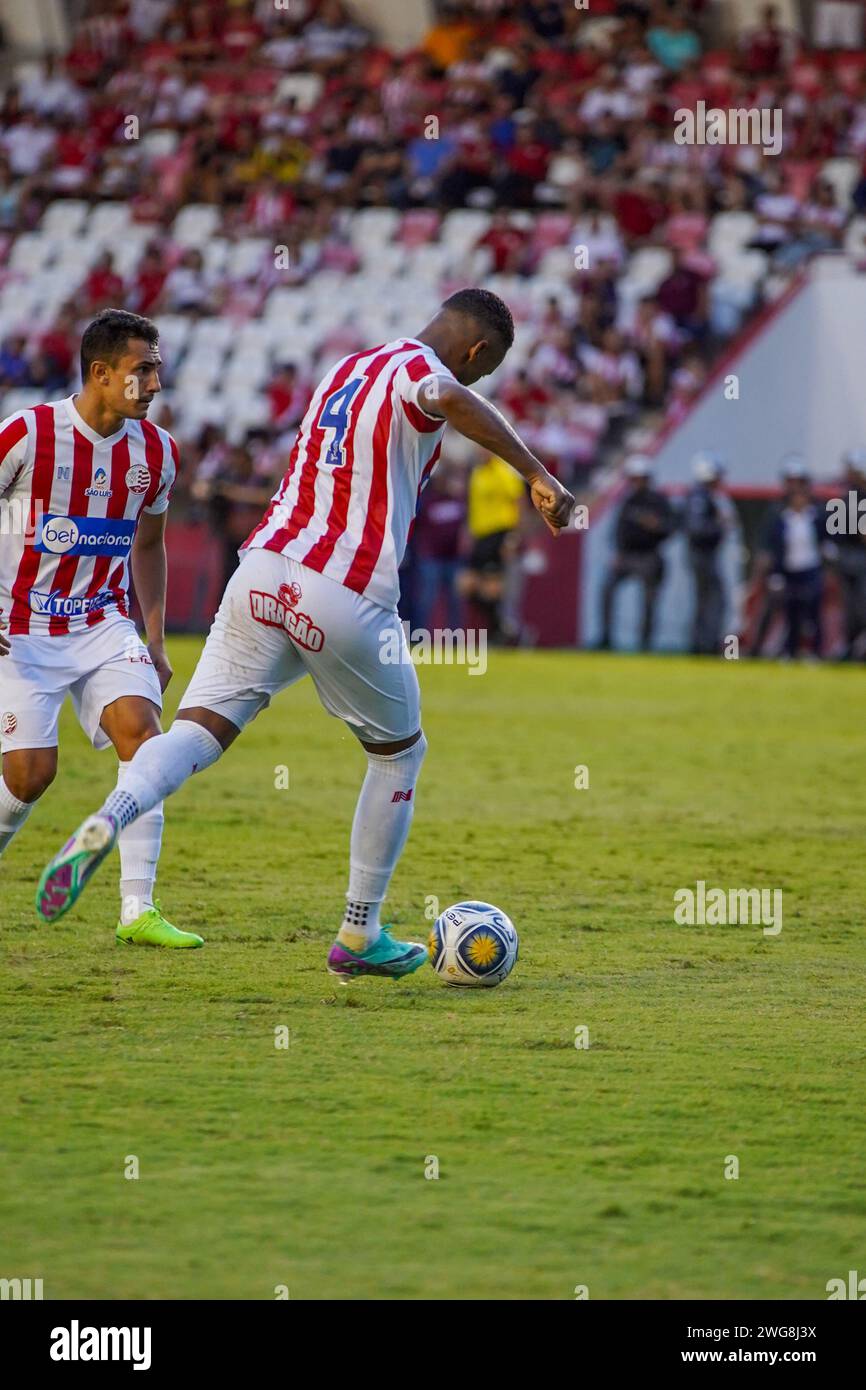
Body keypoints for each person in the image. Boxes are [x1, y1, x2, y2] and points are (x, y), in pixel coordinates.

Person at [36, 289, 574, 980]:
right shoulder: (421, 372)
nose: (479, 380)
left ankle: (112, 813)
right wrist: (539, 473)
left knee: (197, 733)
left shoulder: (347, 367)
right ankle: (359, 932)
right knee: (399, 756)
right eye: (485, 368)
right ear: (476, 351)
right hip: (342, 590)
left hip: (261, 571)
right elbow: (444, 392)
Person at [0, 308, 201, 947]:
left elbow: (148, 545)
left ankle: (136, 909)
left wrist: (157, 636)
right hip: (19, 627)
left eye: (158, 370)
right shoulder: (27, 434)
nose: (155, 383)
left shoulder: (160, 453)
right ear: (101, 373)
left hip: (103, 623)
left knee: (145, 739)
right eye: (143, 370)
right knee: (31, 775)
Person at [599, 455, 677, 651]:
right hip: (627, 556)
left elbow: (670, 527)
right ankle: (606, 637)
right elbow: (618, 530)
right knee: (607, 589)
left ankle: (645, 643)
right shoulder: (627, 500)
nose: (635, 482)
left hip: (649, 555)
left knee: (649, 601)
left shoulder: (658, 501)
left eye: (638, 478)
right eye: (632, 478)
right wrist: (617, 553)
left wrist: (655, 526)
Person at [761, 462, 828, 659]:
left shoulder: (815, 517)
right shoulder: (781, 518)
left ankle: (815, 652)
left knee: (813, 613)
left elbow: (825, 540)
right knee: (791, 613)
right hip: (789, 569)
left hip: (811, 569)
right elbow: (773, 548)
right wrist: (775, 573)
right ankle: (790, 651)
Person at [460, 451, 527, 644]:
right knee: (468, 586)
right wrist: (468, 532)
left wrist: (513, 537)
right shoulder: (477, 472)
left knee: (493, 588)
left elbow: (519, 503)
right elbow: (474, 506)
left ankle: (500, 633)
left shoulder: (505, 471)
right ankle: (500, 629)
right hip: (479, 536)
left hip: (499, 534)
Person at [682, 452, 731, 655]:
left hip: (701, 555)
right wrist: (720, 526)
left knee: (704, 600)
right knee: (714, 600)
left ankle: (700, 643)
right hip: (702, 555)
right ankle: (706, 644)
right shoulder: (701, 497)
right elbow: (697, 528)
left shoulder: (701, 496)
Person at [826, 449, 866, 660]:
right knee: (853, 609)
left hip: (856, 558)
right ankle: (853, 648)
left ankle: (856, 648)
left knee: (859, 606)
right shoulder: (849, 498)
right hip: (852, 558)